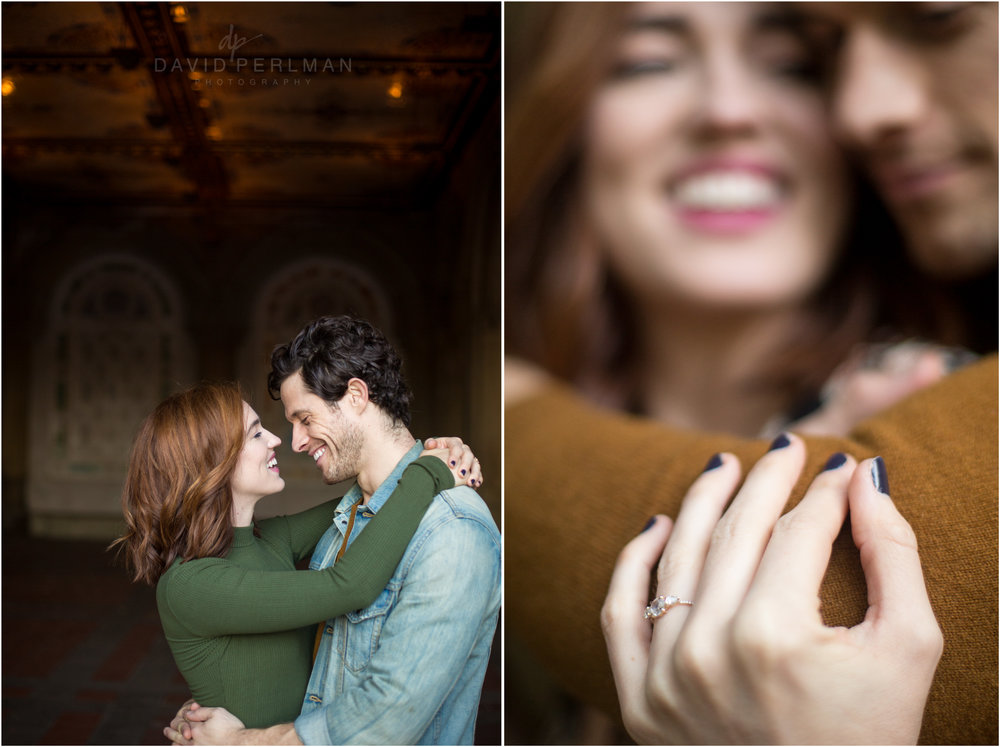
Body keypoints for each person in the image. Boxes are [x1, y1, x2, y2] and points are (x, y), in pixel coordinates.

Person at [505, 1, 996, 743]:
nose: (728, 112)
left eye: (795, 67)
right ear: (564, 125)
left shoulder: (940, 397)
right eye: (648, 62)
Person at [171, 315, 501, 745]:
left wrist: (242, 741)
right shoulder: (348, 517)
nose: (294, 442)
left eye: (304, 419)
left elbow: (388, 718)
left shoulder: (453, 529)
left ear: (357, 396)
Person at [112, 381, 481, 728]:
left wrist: (435, 453)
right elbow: (350, 586)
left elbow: (377, 494)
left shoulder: (270, 540)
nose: (275, 440)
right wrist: (429, 471)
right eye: (256, 433)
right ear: (213, 463)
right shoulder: (189, 584)